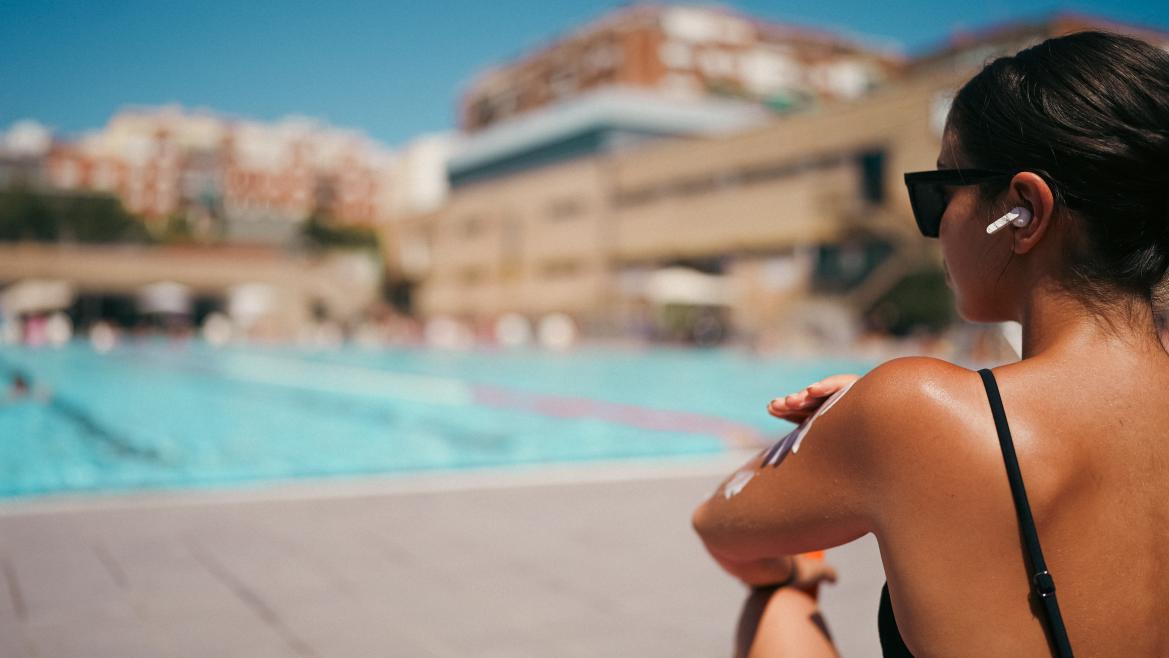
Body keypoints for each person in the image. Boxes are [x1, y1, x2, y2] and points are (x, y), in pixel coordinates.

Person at [693, 31, 1169, 657]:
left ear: (1022, 210)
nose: (935, 225)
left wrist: (851, 428)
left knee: (778, 601)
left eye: (940, 190)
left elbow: (722, 528)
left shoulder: (910, 409)